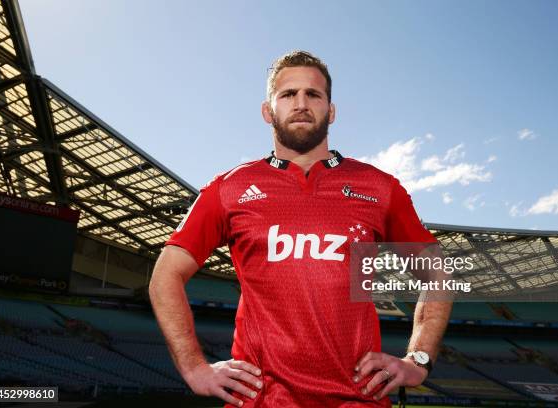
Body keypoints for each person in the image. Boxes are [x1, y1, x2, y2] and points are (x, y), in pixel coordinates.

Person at [149, 50, 452, 407]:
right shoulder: (228, 189)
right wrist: (194, 367)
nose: (301, 103)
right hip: (261, 401)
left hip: (360, 399)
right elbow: (164, 276)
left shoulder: (380, 187)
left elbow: (438, 274)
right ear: (268, 111)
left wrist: (418, 358)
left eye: (314, 94)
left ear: (331, 110)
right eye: (288, 94)